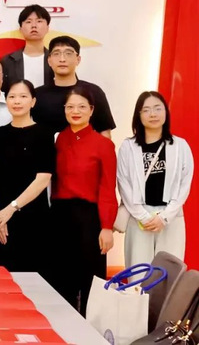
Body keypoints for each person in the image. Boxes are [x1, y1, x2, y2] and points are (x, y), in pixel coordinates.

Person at [50, 86, 117, 316]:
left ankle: (91, 327)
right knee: (61, 276)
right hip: (60, 214)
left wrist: (107, 227)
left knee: (90, 278)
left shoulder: (104, 144)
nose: (75, 111)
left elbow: (108, 188)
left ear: (91, 110)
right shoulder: (58, 140)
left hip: (90, 217)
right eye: (70, 107)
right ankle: (63, 325)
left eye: (81, 106)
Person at [118, 91, 194, 267]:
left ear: (166, 112)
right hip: (138, 219)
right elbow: (123, 184)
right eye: (146, 110)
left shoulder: (180, 146)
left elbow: (185, 184)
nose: (153, 114)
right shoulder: (128, 147)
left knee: (169, 272)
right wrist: (143, 217)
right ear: (138, 115)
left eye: (157, 108)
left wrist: (165, 217)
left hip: (171, 219)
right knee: (138, 272)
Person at [0, 80, 55, 277]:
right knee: (3, 279)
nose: (17, 101)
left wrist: (12, 208)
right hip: (2, 220)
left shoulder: (44, 134)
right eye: (12, 97)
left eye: (23, 96)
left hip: (34, 218)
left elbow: (43, 178)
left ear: (33, 102)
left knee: (34, 278)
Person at [33, 36, 115, 138]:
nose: (62, 59)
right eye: (56, 53)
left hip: (86, 148)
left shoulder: (94, 92)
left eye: (68, 53)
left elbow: (104, 132)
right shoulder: (37, 95)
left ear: (78, 59)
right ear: (49, 60)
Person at [1, 4, 53, 92]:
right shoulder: (8, 61)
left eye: (39, 21)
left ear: (47, 28)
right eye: (28, 22)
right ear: (20, 29)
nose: (34, 25)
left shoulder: (55, 59)